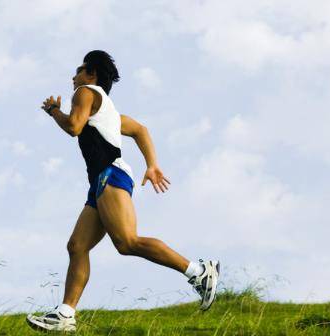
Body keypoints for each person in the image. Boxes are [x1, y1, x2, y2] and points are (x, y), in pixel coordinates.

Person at [26, 50, 220, 333]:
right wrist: (152, 165)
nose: (74, 76)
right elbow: (140, 129)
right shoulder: (109, 112)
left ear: (91, 75)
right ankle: (65, 315)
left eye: (79, 70)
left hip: (110, 174)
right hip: (101, 181)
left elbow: (74, 126)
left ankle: (199, 272)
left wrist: (54, 111)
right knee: (77, 246)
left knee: (127, 242)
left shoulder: (85, 92)